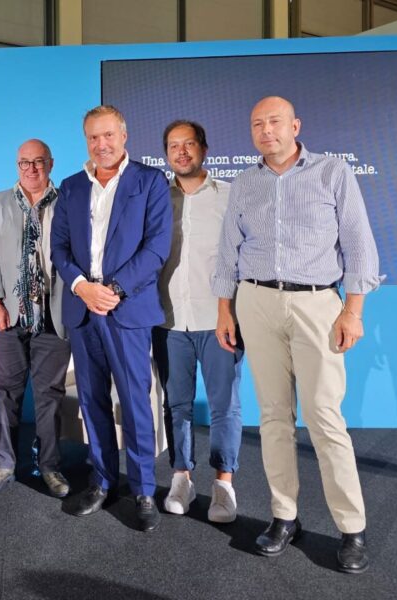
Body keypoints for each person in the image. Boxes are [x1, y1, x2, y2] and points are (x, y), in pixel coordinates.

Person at [213, 96, 381, 573]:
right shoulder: (245, 183)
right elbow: (228, 251)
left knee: (325, 417)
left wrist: (354, 310)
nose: (266, 130)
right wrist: (226, 310)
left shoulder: (332, 173)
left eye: (274, 122)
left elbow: (359, 245)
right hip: (256, 302)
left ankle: (352, 529)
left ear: (295, 126)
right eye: (257, 124)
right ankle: (284, 517)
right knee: (272, 417)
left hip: (317, 304)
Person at [50, 105, 171, 531]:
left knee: (137, 402)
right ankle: (101, 481)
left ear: (124, 135)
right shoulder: (69, 187)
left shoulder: (150, 181)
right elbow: (59, 250)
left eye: (107, 136)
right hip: (84, 309)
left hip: (127, 309)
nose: (100, 145)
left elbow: (157, 248)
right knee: (92, 401)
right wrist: (83, 287)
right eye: (92, 138)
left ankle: (142, 489)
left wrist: (114, 290)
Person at [153, 120, 244, 522]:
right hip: (169, 320)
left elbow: (243, 254)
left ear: (204, 149)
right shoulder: (156, 198)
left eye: (189, 144)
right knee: (177, 405)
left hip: (219, 318)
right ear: (166, 153)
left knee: (225, 405)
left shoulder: (229, 195)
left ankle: (224, 484)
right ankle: (182, 477)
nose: (182, 152)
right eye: (174, 146)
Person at [0, 139, 72, 498]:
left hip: (54, 314)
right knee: (6, 393)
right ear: (16, 166)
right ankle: (3, 464)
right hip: (9, 315)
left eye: (38, 162)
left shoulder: (68, 202)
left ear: (50, 163)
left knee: (49, 394)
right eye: (23, 163)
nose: (31, 169)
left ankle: (50, 467)